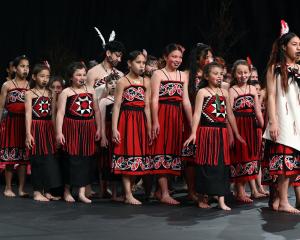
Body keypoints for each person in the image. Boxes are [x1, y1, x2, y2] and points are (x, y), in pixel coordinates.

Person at [184, 62, 245, 210]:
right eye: (215, 73)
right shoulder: (202, 92)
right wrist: (193, 133)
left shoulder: (224, 93)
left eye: (221, 74)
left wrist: (236, 134)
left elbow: (229, 114)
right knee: (206, 164)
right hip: (207, 132)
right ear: (206, 76)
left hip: (221, 133)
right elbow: (197, 114)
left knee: (222, 165)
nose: (219, 76)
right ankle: (202, 198)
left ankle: (221, 200)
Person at [262, 21, 300, 213]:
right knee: (284, 161)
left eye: (299, 44)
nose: (298, 47)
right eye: (294, 44)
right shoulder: (275, 68)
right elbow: (271, 96)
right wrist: (273, 120)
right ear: (284, 47)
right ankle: (284, 200)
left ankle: (280, 197)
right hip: (283, 119)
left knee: (294, 163)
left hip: (297, 119)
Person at [151, 43, 192, 205]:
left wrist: (191, 122)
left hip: (176, 116)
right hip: (162, 114)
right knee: (161, 150)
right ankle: (165, 193)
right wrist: (155, 121)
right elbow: (154, 99)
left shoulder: (183, 76)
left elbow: (186, 101)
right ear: (166, 57)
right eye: (174, 56)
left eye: (180, 57)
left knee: (173, 152)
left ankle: (160, 191)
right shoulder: (158, 74)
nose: (177, 60)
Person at [56, 62, 101, 203]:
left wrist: (99, 128)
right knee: (71, 159)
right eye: (78, 75)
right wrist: (59, 132)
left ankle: (82, 192)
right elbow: (60, 113)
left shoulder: (91, 90)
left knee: (86, 160)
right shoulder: (66, 92)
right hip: (72, 128)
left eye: (84, 74)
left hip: (88, 128)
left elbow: (97, 110)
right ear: (71, 77)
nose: (82, 77)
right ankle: (67, 191)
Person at [25, 63, 62, 201]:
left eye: (47, 76)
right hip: (35, 127)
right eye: (42, 76)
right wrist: (28, 134)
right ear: (34, 77)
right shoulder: (29, 93)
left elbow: (52, 115)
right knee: (37, 159)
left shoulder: (50, 93)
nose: (45, 79)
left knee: (49, 160)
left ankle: (47, 190)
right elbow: (28, 114)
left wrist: (54, 133)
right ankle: (36, 191)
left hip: (47, 128)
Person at [229, 60, 264, 203]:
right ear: (234, 74)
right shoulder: (232, 90)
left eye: (245, 72)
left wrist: (261, 125)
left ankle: (243, 191)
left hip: (251, 126)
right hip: (239, 125)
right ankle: (240, 192)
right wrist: (233, 133)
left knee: (251, 156)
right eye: (239, 72)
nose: (243, 75)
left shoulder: (252, 89)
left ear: (249, 73)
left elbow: (257, 109)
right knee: (240, 156)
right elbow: (229, 113)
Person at [0, 55, 30, 197]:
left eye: (27, 66)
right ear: (14, 68)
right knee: (10, 156)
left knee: (23, 158)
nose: (25, 69)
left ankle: (22, 188)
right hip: (11, 123)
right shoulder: (7, 85)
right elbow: (1, 107)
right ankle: (8, 188)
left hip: (25, 124)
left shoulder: (30, 86)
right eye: (22, 66)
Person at [98, 72, 122, 200]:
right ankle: (103, 191)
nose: (114, 85)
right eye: (110, 83)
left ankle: (114, 193)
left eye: (116, 83)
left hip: (119, 132)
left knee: (115, 162)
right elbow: (101, 120)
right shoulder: (104, 101)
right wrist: (103, 136)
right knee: (105, 162)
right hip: (107, 132)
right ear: (107, 86)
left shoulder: (122, 100)